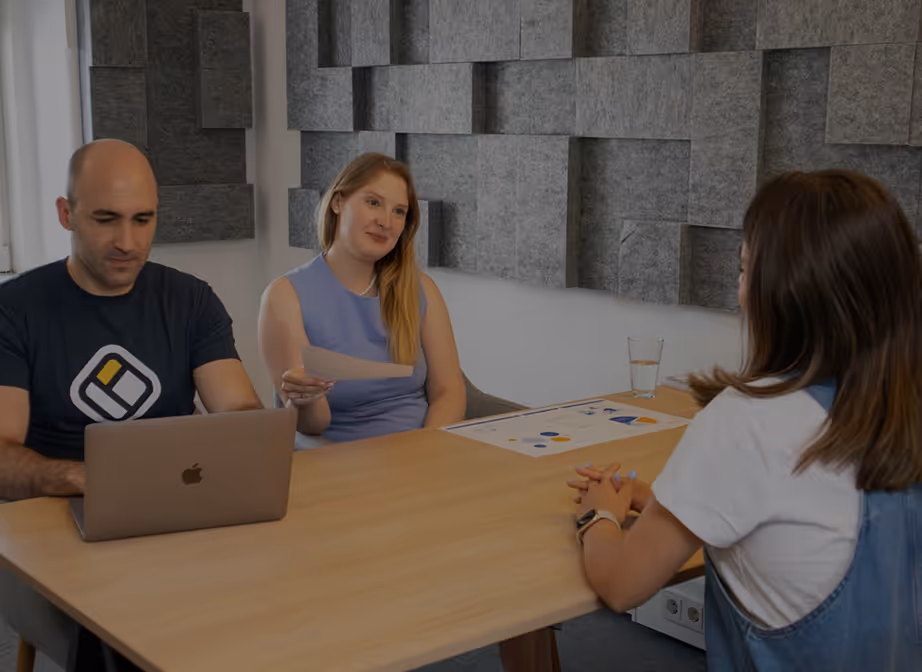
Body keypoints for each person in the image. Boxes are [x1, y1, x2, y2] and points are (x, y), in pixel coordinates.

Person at [567, 170, 922, 671]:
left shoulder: (749, 420)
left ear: (785, 294)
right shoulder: (901, 405)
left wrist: (598, 515)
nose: (738, 290)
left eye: (744, 269)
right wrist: (670, 501)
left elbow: (622, 584)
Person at [0, 138, 263, 666]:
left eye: (143, 220)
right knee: (133, 622)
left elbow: (242, 419)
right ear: (66, 214)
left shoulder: (191, 300)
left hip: (174, 507)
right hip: (61, 522)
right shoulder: (15, 309)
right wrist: (80, 477)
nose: (127, 241)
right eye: (106, 219)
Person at [259, 153, 465, 444]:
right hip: (338, 458)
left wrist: (425, 452)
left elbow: (449, 392)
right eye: (373, 203)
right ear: (338, 202)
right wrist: (306, 399)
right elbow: (312, 424)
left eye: (399, 211)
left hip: (423, 451)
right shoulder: (285, 295)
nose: (386, 222)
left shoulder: (422, 288)